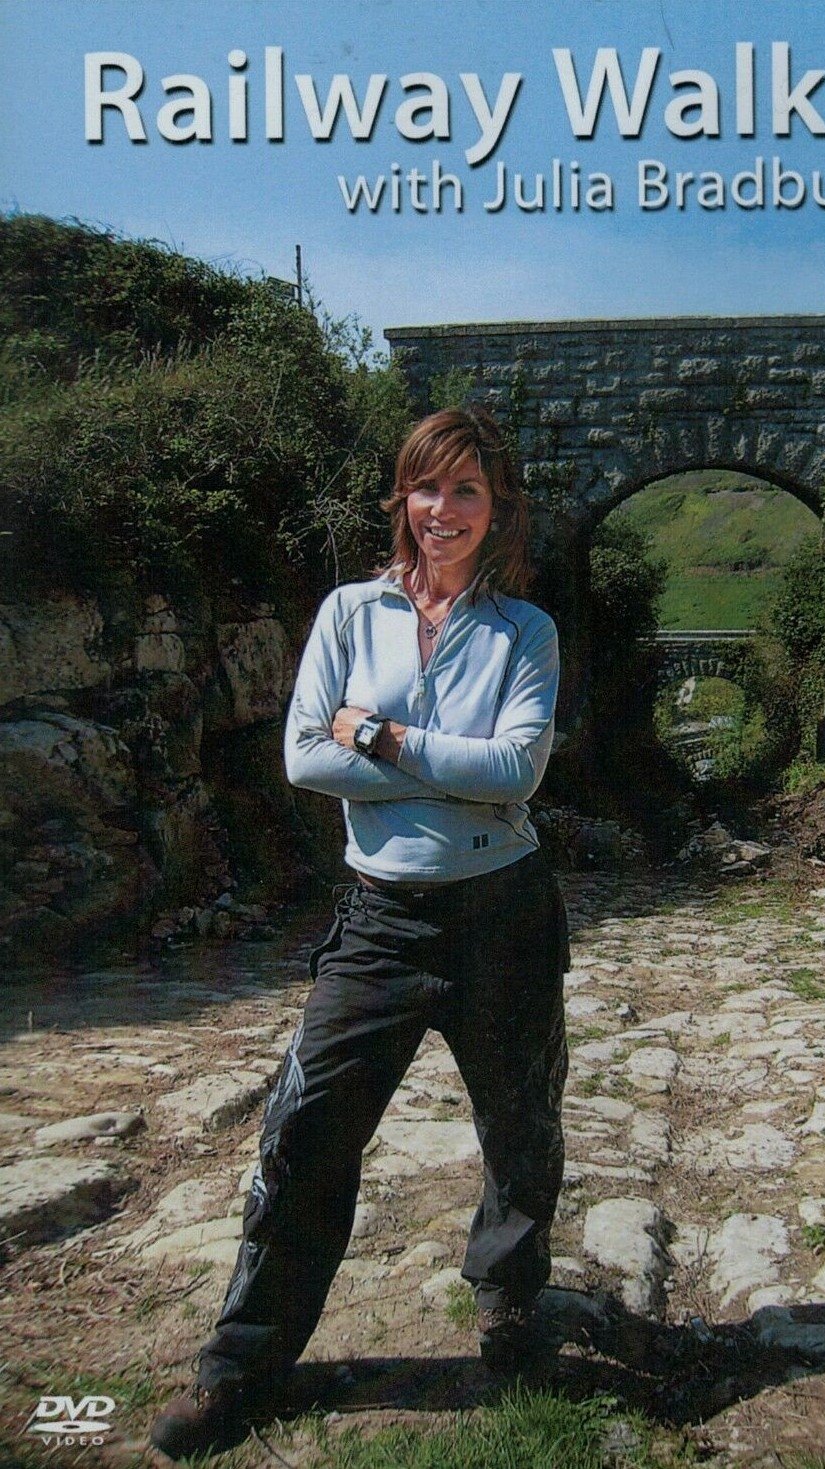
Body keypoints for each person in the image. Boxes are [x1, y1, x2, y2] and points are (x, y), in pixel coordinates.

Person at [151, 405, 569, 1459]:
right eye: (429, 486)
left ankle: (509, 1302)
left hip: (504, 914)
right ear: (402, 496)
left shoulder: (524, 630)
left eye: (467, 489)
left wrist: (377, 735)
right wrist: (448, 766)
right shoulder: (348, 612)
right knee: (303, 1132)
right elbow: (304, 755)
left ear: (496, 507)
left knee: (520, 1131)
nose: (444, 509)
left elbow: (515, 771)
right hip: (380, 918)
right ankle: (241, 1366)